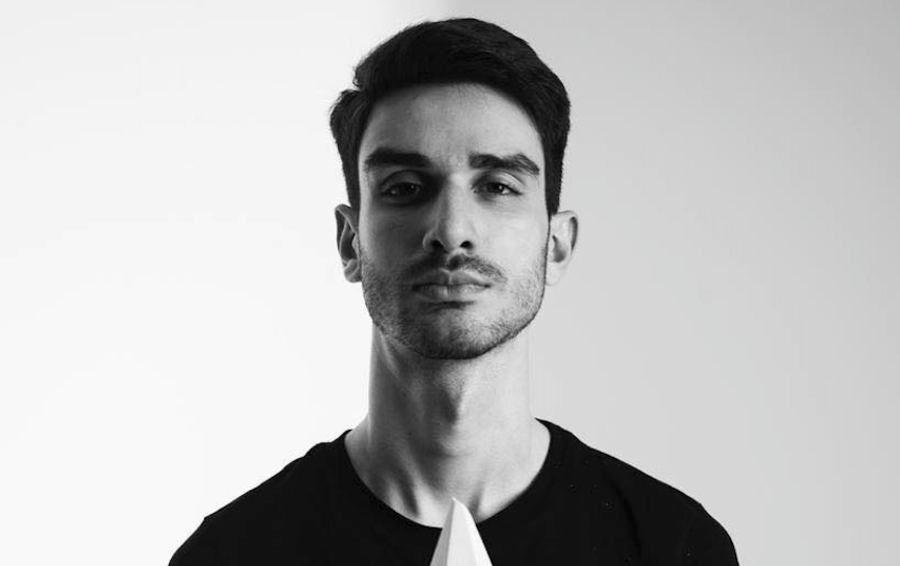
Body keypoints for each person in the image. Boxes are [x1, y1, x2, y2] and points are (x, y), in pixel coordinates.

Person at [170, 18, 739, 565]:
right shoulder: (233, 555)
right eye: (405, 187)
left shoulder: (673, 546)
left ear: (557, 245)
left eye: (497, 186)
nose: (451, 229)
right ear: (350, 242)